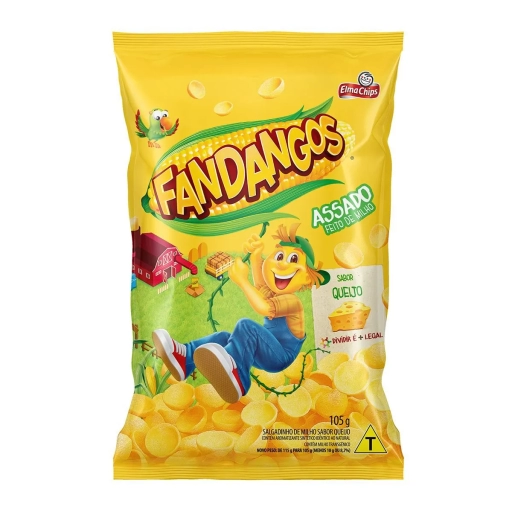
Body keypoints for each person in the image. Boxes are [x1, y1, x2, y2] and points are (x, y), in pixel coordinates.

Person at [153, 223, 329, 403]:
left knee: (246, 326)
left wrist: (242, 281)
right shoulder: (276, 294)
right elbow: (260, 287)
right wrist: (255, 256)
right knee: (223, 337)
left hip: (280, 356)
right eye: (279, 256)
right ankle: (184, 359)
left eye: (293, 259)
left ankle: (239, 377)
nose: (282, 263)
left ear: (307, 277)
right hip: (265, 351)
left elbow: (263, 307)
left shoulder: (292, 302)